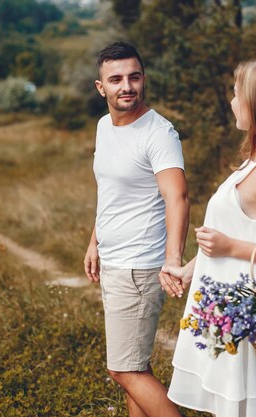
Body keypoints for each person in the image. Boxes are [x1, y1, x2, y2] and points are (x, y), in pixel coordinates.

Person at [163, 59, 256, 417]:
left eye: (237, 94)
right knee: (225, 406)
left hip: (243, 308)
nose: (232, 101)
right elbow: (236, 231)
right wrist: (191, 268)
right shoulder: (254, 161)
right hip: (222, 304)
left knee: (238, 406)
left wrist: (231, 248)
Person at [83, 41, 188, 417]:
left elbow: (178, 197)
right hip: (113, 261)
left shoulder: (158, 133)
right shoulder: (103, 127)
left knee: (123, 369)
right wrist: (95, 241)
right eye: (116, 79)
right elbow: (110, 192)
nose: (127, 86)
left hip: (138, 267)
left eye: (134, 76)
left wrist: (171, 260)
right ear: (101, 88)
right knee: (136, 366)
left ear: (143, 79)